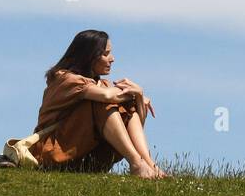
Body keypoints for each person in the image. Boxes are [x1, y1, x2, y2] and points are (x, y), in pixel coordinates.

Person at [29, 29, 169, 179]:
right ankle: (136, 164)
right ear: (89, 56)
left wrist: (138, 99)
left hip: (85, 157)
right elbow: (106, 95)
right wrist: (135, 93)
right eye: (105, 54)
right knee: (103, 102)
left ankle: (148, 164)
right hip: (52, 154)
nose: (112, 59)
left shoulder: (100, 83)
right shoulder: (65, 79)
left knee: (125, 104)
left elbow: (133, 126)